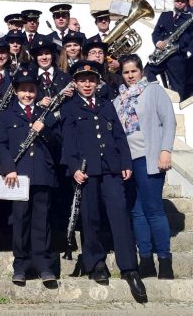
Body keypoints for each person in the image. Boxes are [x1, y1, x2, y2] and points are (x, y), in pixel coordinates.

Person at [60, 60, 147, 303]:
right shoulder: (69, 108)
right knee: (91, 218)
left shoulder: (107, 105)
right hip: (87, 172)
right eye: (82, 80)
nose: (87, 84)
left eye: (91, 80)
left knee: (119, 215)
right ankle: (95, 263)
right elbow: (68, 143)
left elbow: (119, 136)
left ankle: (129, 268)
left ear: (97, 83)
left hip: (111, 170)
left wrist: (126, 163)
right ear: (75, 83)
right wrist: (74, 167)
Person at [0, 65, 58, 287]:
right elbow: (0, 145)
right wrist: (8, 168)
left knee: (42, 220)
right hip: (17, 175)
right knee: (20, 220)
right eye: (23, 90)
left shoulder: (46, 114)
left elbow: (58, 143)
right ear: (16, 91)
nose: (28, 94)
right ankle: (20, 265)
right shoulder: (7, 115)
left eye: (31, 90)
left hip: (42, 173)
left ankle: (43, 265)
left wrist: (46, 131)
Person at [114, 54, 176, 279]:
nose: (130, 76)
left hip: (149, 158)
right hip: (129, 163)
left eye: (134, 71)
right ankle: (146, 260)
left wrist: (165, 150)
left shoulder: (153, 91)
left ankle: (165, 260)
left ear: (141, 71)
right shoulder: (117, 100)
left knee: (154, 211)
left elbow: (169, 120)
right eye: (126, 72)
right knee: (137, 213)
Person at [145, 0, 192, 99]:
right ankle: (158, 93)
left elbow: (190, 37)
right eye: (177, 0)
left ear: (186, 3)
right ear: (174, 0)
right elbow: (156, 32)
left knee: (177, 86)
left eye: (183, 1)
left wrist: (182, 48)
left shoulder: (189, 18)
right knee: (147, 71)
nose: (179, 2)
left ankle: (177, 109)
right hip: (161, 54)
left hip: (177, 56)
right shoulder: (165, 15)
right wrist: (158, 42)